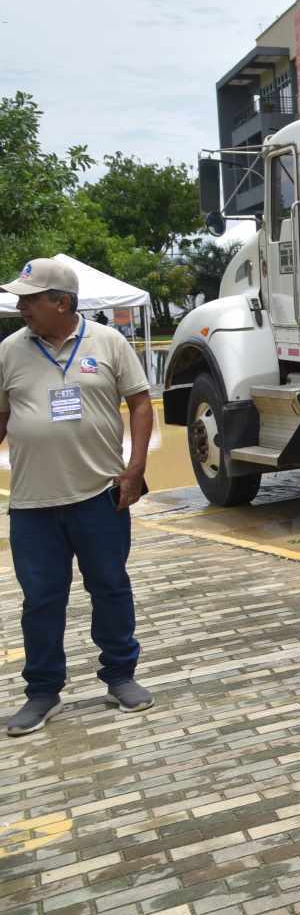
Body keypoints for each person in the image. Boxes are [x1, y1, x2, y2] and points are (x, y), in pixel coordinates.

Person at [1, 257, 155, 737]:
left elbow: (141, 402)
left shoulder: (108, 342)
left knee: (110, 586)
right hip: (31, 504)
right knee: (41, 600)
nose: (21, 306)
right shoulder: (8, 350)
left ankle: (120, 676)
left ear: (61, 302)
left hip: (98, 496)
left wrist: (136, 469)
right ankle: (43, 691)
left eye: (31, 298)